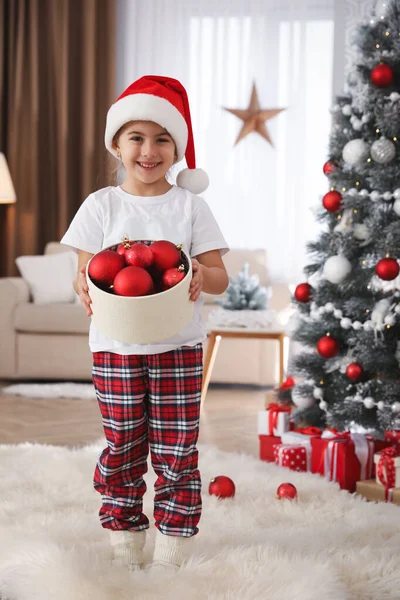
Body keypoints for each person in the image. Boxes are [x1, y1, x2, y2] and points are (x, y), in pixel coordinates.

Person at [61, 75, 229, 573]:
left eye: (162, 139)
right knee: (123, 443)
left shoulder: (190, 206)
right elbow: (85, 274)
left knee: (178, 448)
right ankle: (125, 540)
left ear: (177, 149)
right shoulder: (101, 205)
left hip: (178, 346)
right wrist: (83, 286)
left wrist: (201, 274)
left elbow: (219, 276)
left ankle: (174, 549)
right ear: (116, 143)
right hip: (115, 347)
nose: (149, 150)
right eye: (136, 137)